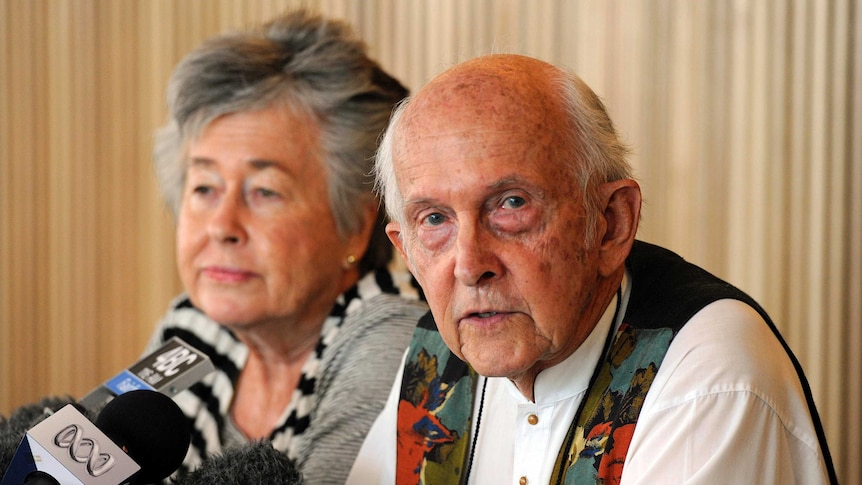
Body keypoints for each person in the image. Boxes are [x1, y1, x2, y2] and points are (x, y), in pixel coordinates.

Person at [347, 54, 837, 484]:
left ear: (610, 223)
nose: (471, 266)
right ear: (407, 251)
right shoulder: (434, 355)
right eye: (435, 219)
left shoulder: (707, 371)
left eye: (511, 204)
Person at [145, 10, 427, 483]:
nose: (222, 226)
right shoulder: (192, 330)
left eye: (265, 192)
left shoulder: (392, 340)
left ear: (356, 226)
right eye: (204, 188)